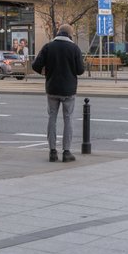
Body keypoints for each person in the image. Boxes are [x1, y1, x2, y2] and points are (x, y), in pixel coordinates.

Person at [31, 24, 85, 163]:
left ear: (58, 33)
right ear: (70, 35)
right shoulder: (74, 48)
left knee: (52, 119)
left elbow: (35, 65)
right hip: (68, 90)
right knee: (68, 120)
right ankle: (66, 152)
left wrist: (45, 71)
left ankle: (52, 151)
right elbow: (80, 70)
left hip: (52, 89)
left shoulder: (48, 47)